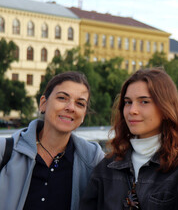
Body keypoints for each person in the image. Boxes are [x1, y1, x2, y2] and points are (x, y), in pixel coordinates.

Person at [80, 68, 178, 210]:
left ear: (165, 108)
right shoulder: (106, 168)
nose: (132, 110)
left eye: (144, 102)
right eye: (128, 102)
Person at [0, 71, 104, 210]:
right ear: (43, 103)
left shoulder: (93, 160)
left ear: (84, 114)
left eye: (80, 103)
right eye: (62, 98)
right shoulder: (4, 152)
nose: (71, 107)